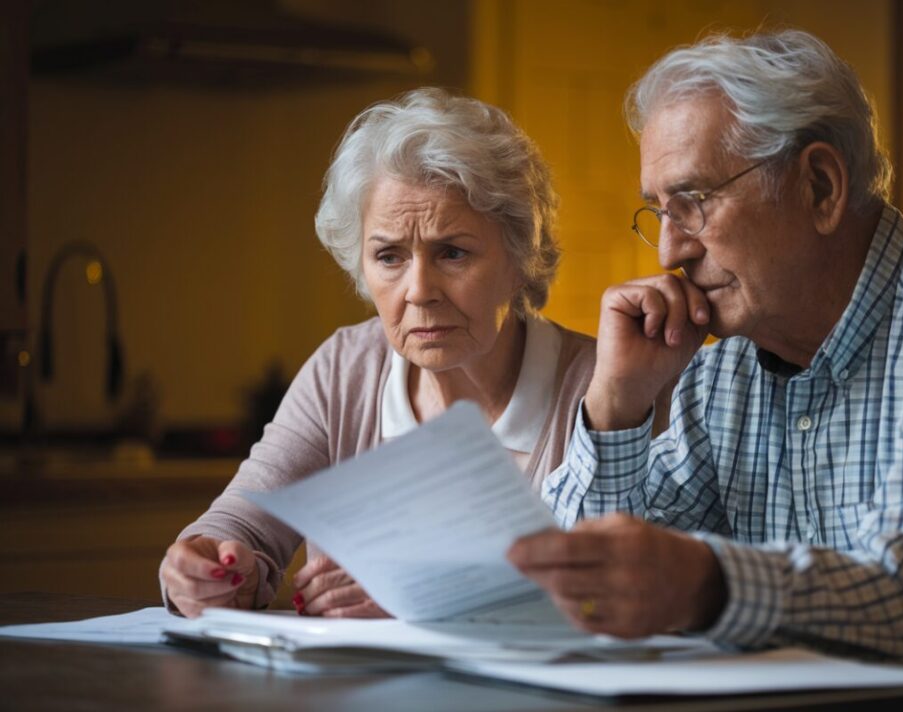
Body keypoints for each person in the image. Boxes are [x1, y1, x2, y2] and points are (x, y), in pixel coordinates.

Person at [507, 30, 903, 678]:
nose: (668, 253)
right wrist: (615, 406)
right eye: (659, 212)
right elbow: (578, 594)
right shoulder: (722, 367)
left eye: (694, 204)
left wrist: (704, 582)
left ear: (820, 188)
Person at [161, 88, 596, 619]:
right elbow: (244, 521)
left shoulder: (601, 387)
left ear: (520, 255)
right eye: (389, 255)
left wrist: (429, 597)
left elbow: (624, 596)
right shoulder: (346, 369)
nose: (418, 290)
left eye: (453, 252)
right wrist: (207, 566)